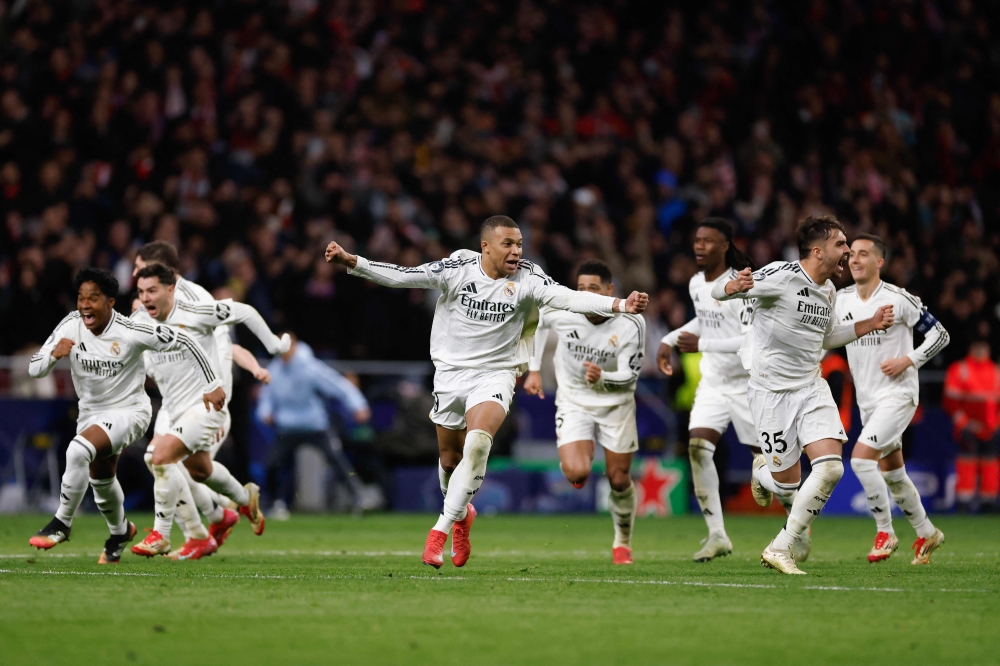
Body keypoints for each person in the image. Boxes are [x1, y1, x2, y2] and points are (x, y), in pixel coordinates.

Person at [325, 215, 649, 568]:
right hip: (450, 375)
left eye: (519, 244)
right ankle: (463, 515)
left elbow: (569, 298)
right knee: (450, 461)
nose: (516, 251)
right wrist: (353, 261)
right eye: (508, 244)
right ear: (486, 247)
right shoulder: (458, 269)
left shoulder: (529, 277)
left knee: (478, 443)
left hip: (496, 374)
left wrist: (620, 305)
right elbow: (404, 275)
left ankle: (439, 531)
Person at [712, 215, 894, 574]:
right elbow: (720, 291)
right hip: (770, 392)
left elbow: (827, 338)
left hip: (811, 387)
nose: (848, 251)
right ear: (818, 251)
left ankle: (781, 547)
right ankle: (762, 472)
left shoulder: (828, 291)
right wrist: (733, 286)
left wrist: (869, 324)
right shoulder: (781, 275)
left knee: (831, 468)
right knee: (788, 484)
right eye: (841, 244)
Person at [27, 268, 224, 563]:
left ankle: (61, 523)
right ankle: (120, 532)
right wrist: (53, 355)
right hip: (90, 414)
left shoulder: (131, 331)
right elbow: (34, 368)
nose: (84, 305)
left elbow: (186, 341)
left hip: (130, 412)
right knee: (101, 480)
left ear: (110, 302)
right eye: (81, 298)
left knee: (77, 450)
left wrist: (212, 384)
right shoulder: (70, 324)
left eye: (93, 298)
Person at [657, 218, 811, 563]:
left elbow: (748, 339)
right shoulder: (696, 283)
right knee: (698, 447)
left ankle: (797, 528)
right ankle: (717, 535)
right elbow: (704, 320)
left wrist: (702, 345)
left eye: (708, 241)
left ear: (725, 246)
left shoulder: (742, 285)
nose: (700, 246)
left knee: (774, 465)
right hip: (713, 383)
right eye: (697, 240)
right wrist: (670, 339)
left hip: (747, 385)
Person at [130, 264, 289, 557]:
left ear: (170, 288)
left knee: (161, 458)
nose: (144, 299)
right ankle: (238, 502)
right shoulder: (143, 327)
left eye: (151, 290)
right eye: (140, 293)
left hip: (208, 407)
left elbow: (233, 344)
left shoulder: (200, 316)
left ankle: (171, 533)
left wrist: (265, 356)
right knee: (197, 470)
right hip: (174, 409)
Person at [523, 260, 645, 565]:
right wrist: (534, 369)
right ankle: (583, 444)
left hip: (615, 403)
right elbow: (538, 323)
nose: (586, 294)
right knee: (576, 473)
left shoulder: (631, 323)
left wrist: (603, 378)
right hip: (574, 400)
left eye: (593, 288)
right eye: (581, 288)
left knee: (619, 480)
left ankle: (623, 541)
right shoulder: (564, 310)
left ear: (609, 290)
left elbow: (630, 375)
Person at [838, 234, 949, 563]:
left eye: (863, 254)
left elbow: (940, 335)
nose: (854, 259)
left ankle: (885, 532)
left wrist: (908, 360)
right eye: (852, 254)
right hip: (867, 399)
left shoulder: (899, 298)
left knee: (861, 461)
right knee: (893, 474)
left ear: (879, 262)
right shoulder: (840, 300)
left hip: (898, 394)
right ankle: (927, 532)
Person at [257, 333, 372, 517]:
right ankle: (277, 504)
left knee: (336, 459)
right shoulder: (274, 370)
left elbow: (337, 385)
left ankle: (358, 498)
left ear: (294, 345)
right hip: (287, 428)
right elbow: (266, 396)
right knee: (271, 464)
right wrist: (265, 412)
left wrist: (358, 405)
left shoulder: (309, 366)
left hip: (315, 425)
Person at [944, 335, 1000, 513]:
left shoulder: (996, 371)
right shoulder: (960, 369)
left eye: (983, 346)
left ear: (989, 349)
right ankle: (964, 501)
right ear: (971, 347)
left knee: (990, 462)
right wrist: (965, 423)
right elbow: (950, 401)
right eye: (977, 345)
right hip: (967, 426)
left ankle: (989, 501)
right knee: (967, 461)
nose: (980, 350)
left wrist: (995, 424)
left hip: (992, 427)